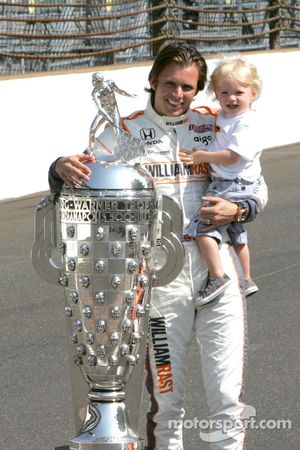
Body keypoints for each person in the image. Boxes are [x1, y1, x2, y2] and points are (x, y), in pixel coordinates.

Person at [48, 42, 268, 450]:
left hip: (217, 276)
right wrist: (59, 168)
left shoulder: (216, 123)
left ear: (199, 89)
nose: (177, 95)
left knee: (226, 398)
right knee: (167, 401)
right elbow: (84, 181)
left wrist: (237, 211)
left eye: (188, 87)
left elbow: (257, 184)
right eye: (169, 84)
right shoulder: (122, 130)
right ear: (152, 81)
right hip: (159, 286)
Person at [179, 56, 264, 303]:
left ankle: (217, 276)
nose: (231, 98)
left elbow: (233, 155)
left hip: (231, 185)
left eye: (239, 92)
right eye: (224, 92)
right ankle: (246, 279)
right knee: (237, 233)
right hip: (233, 183)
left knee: (201, 229)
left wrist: (200, 156)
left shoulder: (246, 123)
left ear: (253, 93)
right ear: (215, 94)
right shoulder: (225, 117)